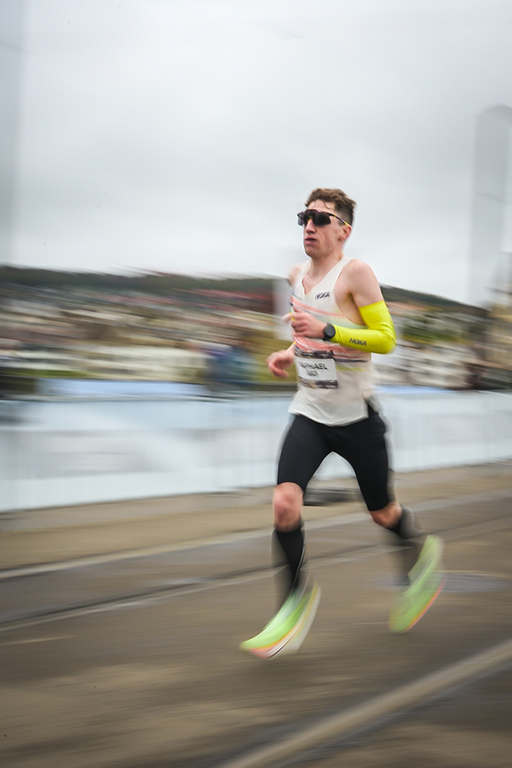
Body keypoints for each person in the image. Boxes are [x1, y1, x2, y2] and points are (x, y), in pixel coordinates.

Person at [240, 188, 444, 659]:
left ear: (343, 230)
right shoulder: (296, 276)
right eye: (304, 217)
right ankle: (293, 602)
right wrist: (288, 353)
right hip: (311, 413)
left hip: (357, 419)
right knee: (284, 504)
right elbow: (307, 335)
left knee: (382, 512)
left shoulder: (356, 274)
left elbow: (385, 339)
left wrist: (329, 330)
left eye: (320, 218)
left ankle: (419, 549)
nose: (309, 226)